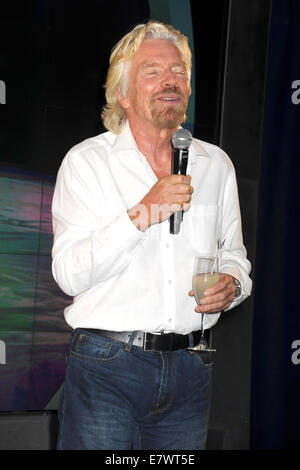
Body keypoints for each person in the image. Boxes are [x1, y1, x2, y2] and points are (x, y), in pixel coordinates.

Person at [52, 20, 252, 450]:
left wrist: (232, 284)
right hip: (107, 367)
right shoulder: (86, 163)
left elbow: (234, 255)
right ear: (122, 94)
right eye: (153, 71)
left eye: (179, 71)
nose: (171, 81)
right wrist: (144, 212)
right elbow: (68, 274)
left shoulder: (215, 165)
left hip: (191, 369)